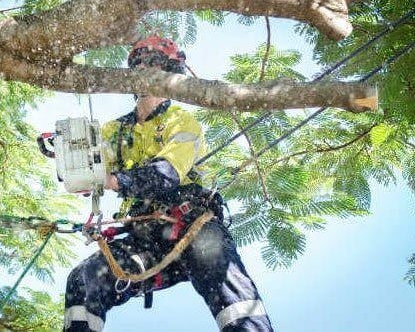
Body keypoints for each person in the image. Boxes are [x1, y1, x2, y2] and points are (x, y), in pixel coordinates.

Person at [64, 35, 273, 332]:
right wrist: (67, 156)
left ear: (171, 73)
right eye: (141, 64)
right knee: (87, 277)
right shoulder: (116, 131)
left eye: (156, 64)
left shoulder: (181, 121)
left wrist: (112, 180)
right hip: (145, 240)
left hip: (190, 225)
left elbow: (165, 174)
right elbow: (87, 179)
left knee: (226, 282)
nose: (147, 70)